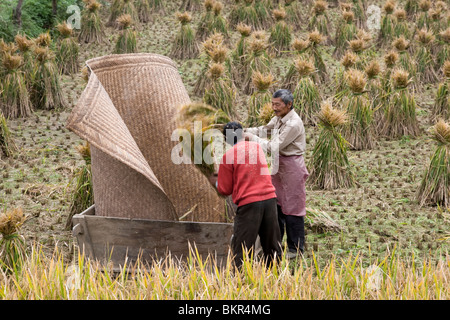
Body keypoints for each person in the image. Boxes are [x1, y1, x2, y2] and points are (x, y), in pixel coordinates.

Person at [244, 89, 309, 258]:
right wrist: (244, 130)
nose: (274, 108)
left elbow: (274, 146)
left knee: (293, 207)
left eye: (277, 105)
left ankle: (296, 249)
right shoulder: (279, 118)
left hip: (292, 165)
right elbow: (264, 130)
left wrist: (251, 138)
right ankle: (276, 243)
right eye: (272, 104)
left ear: (289, 104)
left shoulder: (293, 124)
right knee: (277, 204)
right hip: (278, 164)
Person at [216, 121, 282, 268]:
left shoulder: (228, 156)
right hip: (270, 200)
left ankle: (241, 284)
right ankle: (277, 281)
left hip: (249, 204)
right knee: (272, 247)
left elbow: (224, 189)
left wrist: (216, 181)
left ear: (226, 139)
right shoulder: (257, 148)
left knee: (242, 249)